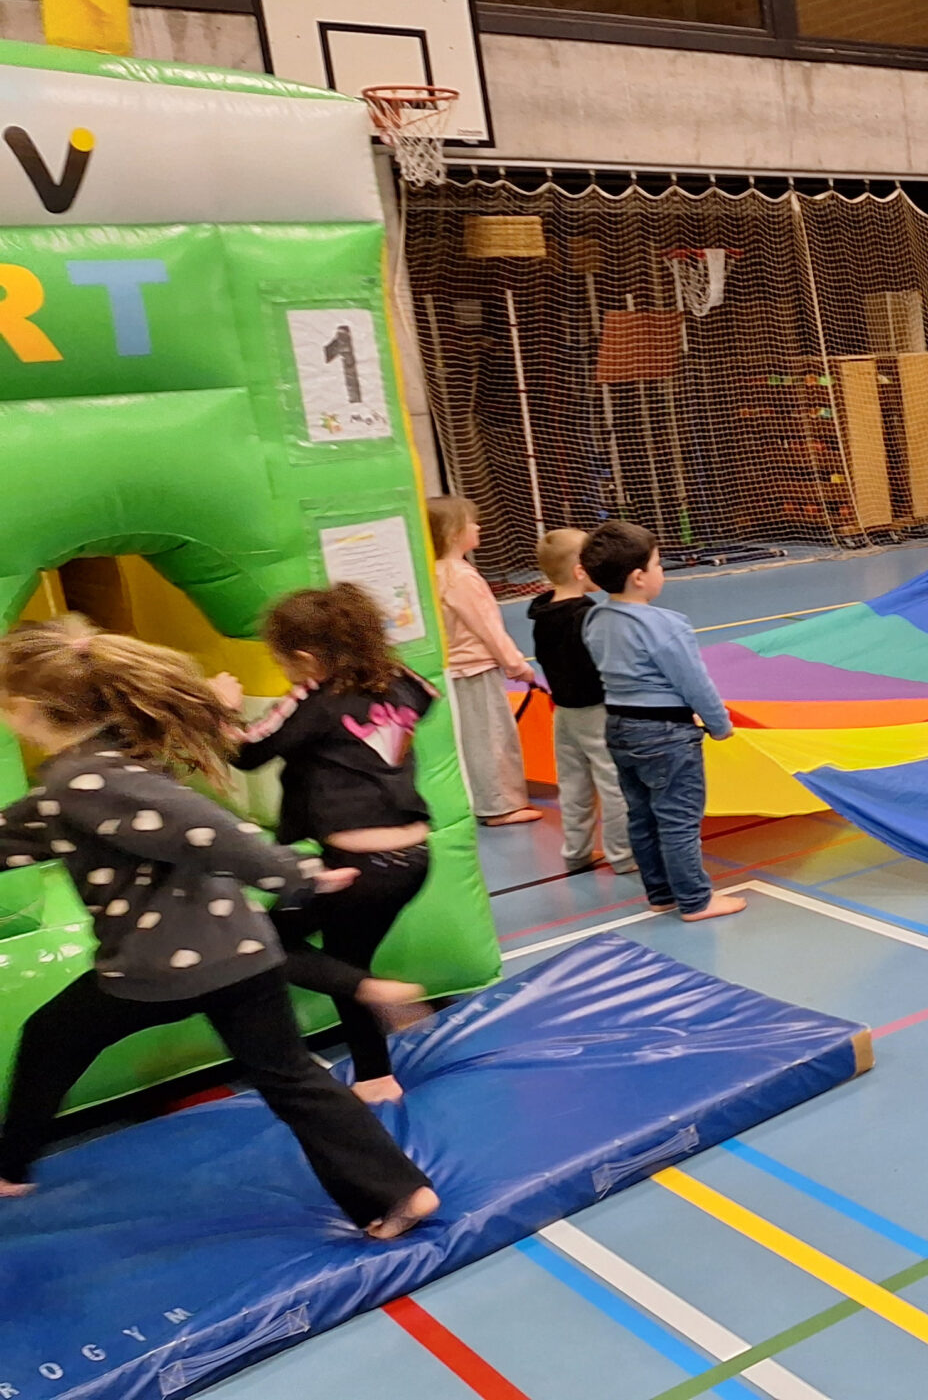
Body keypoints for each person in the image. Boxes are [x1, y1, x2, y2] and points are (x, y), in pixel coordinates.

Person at [0, 618, 438, 1239]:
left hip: (158, 964)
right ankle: (399, 1192)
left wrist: (294, 874)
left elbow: (204, 828)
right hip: (241, 951)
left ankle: (9, 1165)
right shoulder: (105, 763)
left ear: (24, 707)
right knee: (291, 1078)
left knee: (51, 1036)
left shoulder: (82, 779)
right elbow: (24, 831)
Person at [213, 585, 439, 1105]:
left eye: (285, 664)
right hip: (412, 859)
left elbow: (246, 751)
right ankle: (375, 1076)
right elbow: (428, 697)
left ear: (307, 659)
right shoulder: (401, 680)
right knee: (344, 958)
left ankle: (375, 995)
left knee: (263, 940)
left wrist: (221, 710)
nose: (288, 675)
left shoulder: (314, 699)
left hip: (358, 866)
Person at [580, 521, 746, 924]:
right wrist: (719, 723)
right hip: (666, 734)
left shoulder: (595, 618)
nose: (661, 571)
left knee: (643, 815)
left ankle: (661, 893)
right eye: (658, 564)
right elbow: (693, 682)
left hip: (619, 726)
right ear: (639, 577)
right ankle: (695, 899)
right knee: (678, 819)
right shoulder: (665, 624)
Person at [426, 497, 542, 827]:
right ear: (453, 533)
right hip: (474, 668)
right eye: (471, 523)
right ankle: (499, 805)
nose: (478, 527)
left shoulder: (432, 572)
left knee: (467, 738)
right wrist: (516, 664)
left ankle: (477, 798)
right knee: (491, 738)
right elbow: (488, 628)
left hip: (451, 670)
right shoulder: (461, 576)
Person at [529, 530, 633, 875]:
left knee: (573, 784)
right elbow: (603, 664)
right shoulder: (587, 616)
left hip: (564, 712)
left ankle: (576, 851)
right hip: (595, 711)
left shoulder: (543, 614)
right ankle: (622, 853)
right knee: (614, 782)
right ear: (580, 571)